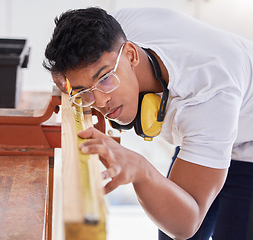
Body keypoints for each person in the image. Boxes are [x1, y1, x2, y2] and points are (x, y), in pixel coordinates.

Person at [43, 7, 253, 240]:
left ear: (131, 54)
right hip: (219, 118)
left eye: (104, 78)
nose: (101, 102)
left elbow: (186, 225)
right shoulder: (119, 26)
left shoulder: (207, 97)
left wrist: (141, 170)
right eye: (85, 91)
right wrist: (69, 84)